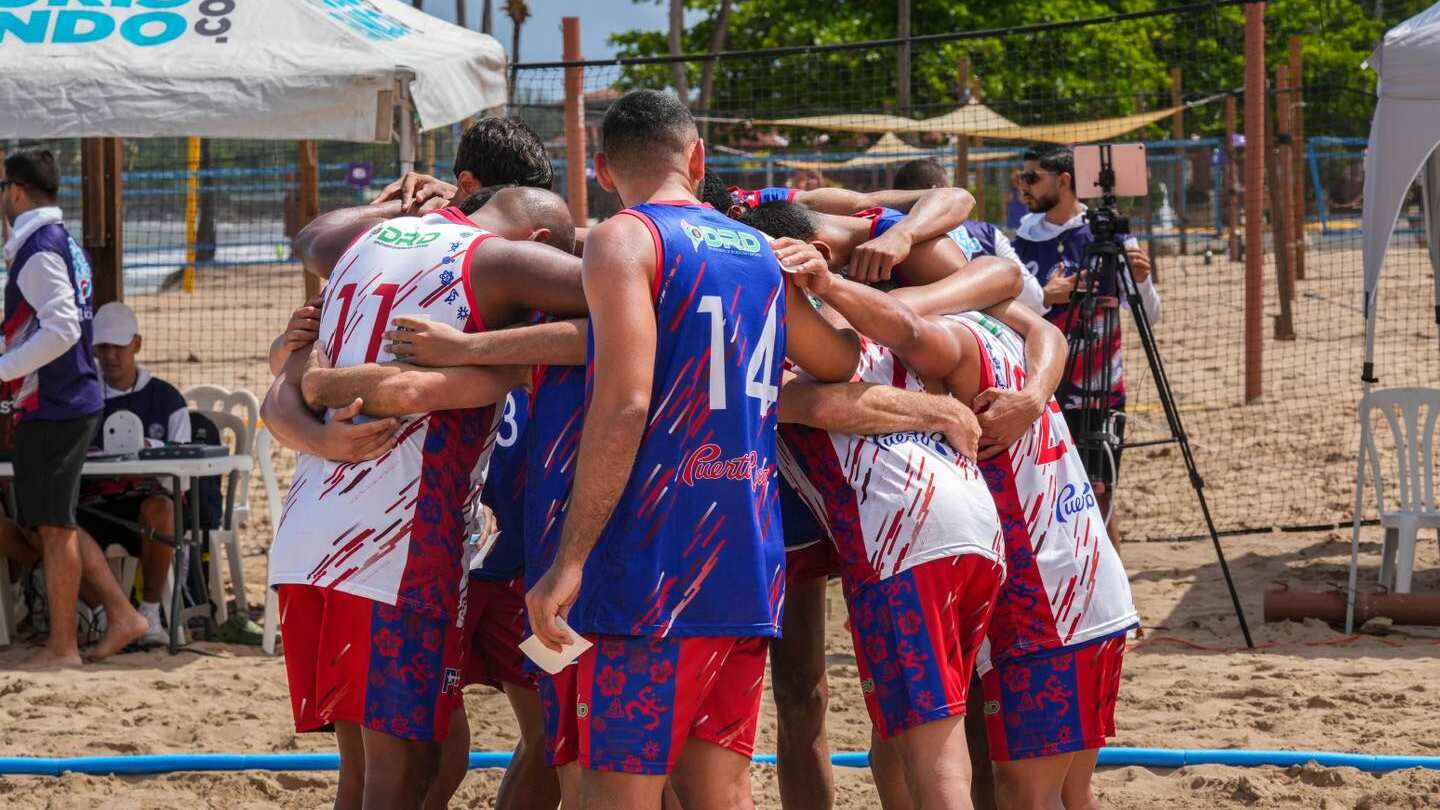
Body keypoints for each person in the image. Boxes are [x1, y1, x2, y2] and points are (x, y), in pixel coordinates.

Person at [523, 89, 857, 810]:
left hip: (650, 564)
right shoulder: (760, 251)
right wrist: (821, 283)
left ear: (605, 172)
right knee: (721, 792)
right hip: (743, 559)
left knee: (615, 795)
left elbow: (625, 404)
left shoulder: (624, 237)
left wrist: (570, 559)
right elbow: (839, 360)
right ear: (697, 158)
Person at [261, 187, 586, 810]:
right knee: (417, 764)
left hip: (312, 541)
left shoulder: (361, 245)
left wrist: (316, 387)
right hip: (399, 550)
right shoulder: (492, 265)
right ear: (541, 249)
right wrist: (493, 361)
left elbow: (308, 252)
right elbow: (409, 392)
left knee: (386, 764)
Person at [1, 149, 146, 668]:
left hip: (57, 401)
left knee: (54, 527)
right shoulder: (59, 240)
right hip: (67, 399)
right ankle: (121, 613)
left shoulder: (39, 248)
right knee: (53, 521)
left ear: (16, 191)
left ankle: (64, 646)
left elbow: (61, 328)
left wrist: (5, 369)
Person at [1012, 144, 1161, 544]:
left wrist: (1142, 280)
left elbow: (1150, 315)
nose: (1023, 186)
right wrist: (1046, 294)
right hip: (1042, 390)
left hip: (1100, 393)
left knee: (1101, 492)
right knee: (1046, 494)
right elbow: (1006, 312)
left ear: (1063, 181)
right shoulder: (1021, 241)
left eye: (1031, 177)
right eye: (1021, 177)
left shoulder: (1107, 238)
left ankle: (1110, 585)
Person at [76, 301, 189, 648]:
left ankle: (151, 611)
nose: (110, 355)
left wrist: (148, 447)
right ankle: (105, 614)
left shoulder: (167, 398)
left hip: (144, 503)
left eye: (119, 346)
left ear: (137, 344)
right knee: (53, 526)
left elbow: (183, 469)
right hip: (92, 503)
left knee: (162, 510)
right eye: (103, 346)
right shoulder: (81, 395)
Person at [891, 158, 1045, 315]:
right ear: (937, 192)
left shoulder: (888, 239)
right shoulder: (987, 234)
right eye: (950, 189)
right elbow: (1034, 299)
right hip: (988, 329)